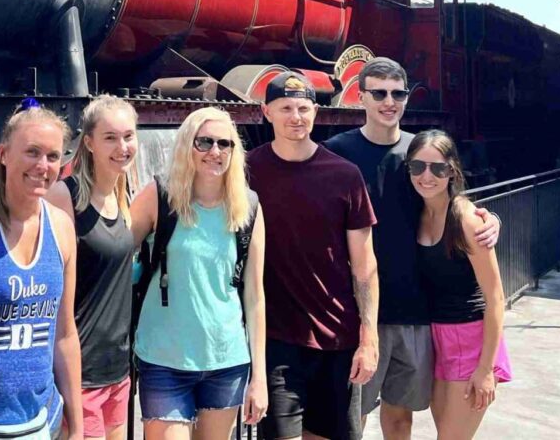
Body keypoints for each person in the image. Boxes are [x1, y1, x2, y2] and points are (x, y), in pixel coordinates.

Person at [325, 58, 501, 440]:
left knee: (400, 417)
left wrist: (488, 219)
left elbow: (450, 198)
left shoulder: (417, 152)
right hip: (358, 315)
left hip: (416, 315)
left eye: (397, 93)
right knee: (350, 419)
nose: (389, 101)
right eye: (379, 93)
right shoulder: (336, 152)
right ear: (362, 97)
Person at [248, 72, 377, 440]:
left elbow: (365, 266)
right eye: (285, 108)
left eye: (304, 108)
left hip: (337, 337)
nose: (296, 117)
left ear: (315, 112)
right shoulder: (246, 172)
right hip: (276, 340)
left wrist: (368, 340)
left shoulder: (345, 175)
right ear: (266, 112)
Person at [0, 105, 83, 439]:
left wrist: (77, 426)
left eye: (52, 156)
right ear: (4, 154)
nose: (42, 166)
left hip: (41, 423)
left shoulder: (61, 227)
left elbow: (64, 333)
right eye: (32, 152)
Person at [130, 106, 268, 439]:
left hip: (226, 360)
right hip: (164, 358)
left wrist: (259, 377)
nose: (215, 152)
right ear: (186, 145)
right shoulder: (160, 197)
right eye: (204, 142)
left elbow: (254, 296)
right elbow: (115, 255)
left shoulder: (247, 206)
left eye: (225, 144)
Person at [407, 130, 510, 440]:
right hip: (436, 337)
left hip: (470, 338)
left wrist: (486, 369)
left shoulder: (466, 219)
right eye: (417, 167)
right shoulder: (417, 211)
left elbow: (496, 298)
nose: (427, 176)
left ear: (451, 170)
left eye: (437, 168)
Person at [47, 96, 139, 440]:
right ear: (88, 142)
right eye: (110, 138)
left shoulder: (124, 194)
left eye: (128, 136)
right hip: (79, 370)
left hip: (116, 369)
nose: (122, 146)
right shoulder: (64, 195)